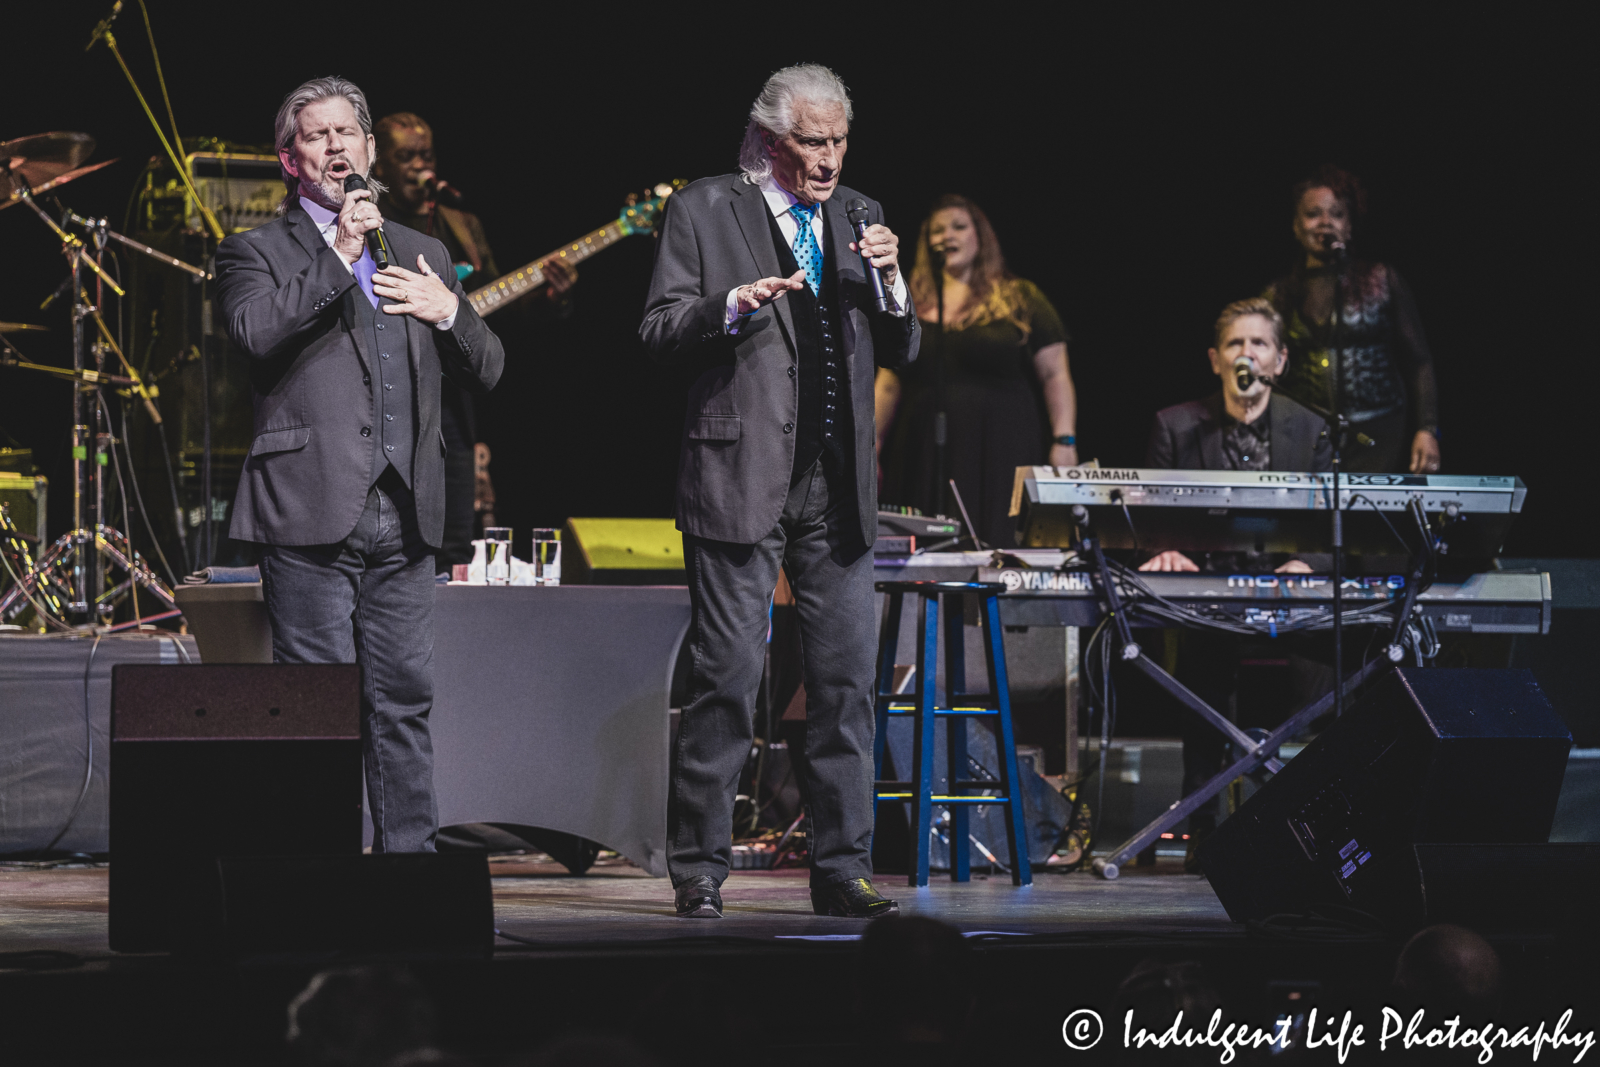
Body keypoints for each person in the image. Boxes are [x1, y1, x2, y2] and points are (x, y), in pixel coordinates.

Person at [640, 64, 919, 919]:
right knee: (727, 676)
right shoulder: (703, 208)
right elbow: (657, 328)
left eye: (839, 141)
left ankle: (842, 866)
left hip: (835, 487)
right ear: (770, 139)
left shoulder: (861, 214)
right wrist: (727, 306)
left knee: (844, 686)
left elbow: (903, 347)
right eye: (812, 141)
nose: (829, 159)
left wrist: (894, 280)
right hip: (739, 474)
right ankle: (699, 867)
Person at [215, 77, 504, 852]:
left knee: (403, 700)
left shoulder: (424, 250)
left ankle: (409, 870)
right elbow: (251, 334)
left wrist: (450, 312)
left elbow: (491, 366)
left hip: (405, 511)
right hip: (308, 507)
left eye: (349, 132)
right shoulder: (254, 251)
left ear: (371, 150)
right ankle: (323, 869)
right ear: (289, 159)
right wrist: (338, 253)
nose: (337, 145)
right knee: (319, 702)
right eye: (318, 135)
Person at [1141, 298, 1330, 869]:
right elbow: (1148, 513)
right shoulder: (1175, 425)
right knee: (1203, 662)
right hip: (1207, 593)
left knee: (1335, 661)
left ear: (1279, 361)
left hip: (1287, 592)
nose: (1246, 353)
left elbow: (1331, 520)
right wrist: (1164, 550)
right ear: (1215, 359)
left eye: (1259, 344)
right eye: (1234, 345)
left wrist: (1310, 564)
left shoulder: (1313, 428)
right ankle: (1204, 824)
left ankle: (1313, 820)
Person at [370, 112, 576, 572]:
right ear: (378, 165)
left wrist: (550, 300)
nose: (419, 166)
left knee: (456, 540)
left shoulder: (460, 225)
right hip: (390, 395)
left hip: (453, 405)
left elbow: (496, 310)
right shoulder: (368, 226)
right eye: (405, 157)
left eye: (426, 155)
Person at [875, 195, 1076, 548]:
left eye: (958, 227)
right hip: (924, 447)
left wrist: (1065, 440)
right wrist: (872, 446)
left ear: (979, 236)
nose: (946, 236)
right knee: (924, 544)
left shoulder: (1019, 297)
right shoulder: (909, 302)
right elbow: (889, 384)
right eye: (936, 230)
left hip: (1000, 446)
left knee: (997, 538)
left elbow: (1055, 374)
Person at [1264, 165, 1441, 475]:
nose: (1325, 223)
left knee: (1368, 519)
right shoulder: (1277, 295)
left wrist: (1428, 428)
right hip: (1308, 434)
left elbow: (1419, 360)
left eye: (1336, 214)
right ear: (1295, 225)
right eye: (1313, 214)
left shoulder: (1381, 279)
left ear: (1349, 225)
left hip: (1381, 430)